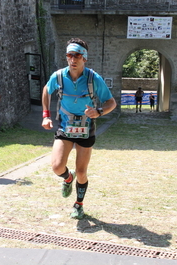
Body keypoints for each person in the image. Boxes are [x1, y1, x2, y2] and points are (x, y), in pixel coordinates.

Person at [41, 38, 117, 219]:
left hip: (86, 127)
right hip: (65, 126)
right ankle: (68, 178)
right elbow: (46, 90)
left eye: (77, 55)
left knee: (82, 172)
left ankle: (79, 204)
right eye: (69, 55)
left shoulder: (93, 79)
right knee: (57, 166)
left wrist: (98, 112)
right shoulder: (58, 76)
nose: (73, 59)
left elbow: (111, 102)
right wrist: (46, 115)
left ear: (85, 58)